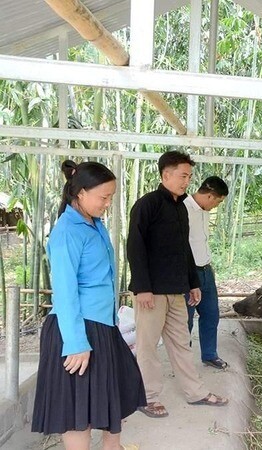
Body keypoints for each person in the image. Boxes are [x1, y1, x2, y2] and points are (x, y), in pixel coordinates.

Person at [32, 160, 145, 450]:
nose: (107, 203)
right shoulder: (67, 231)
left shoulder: (94, 224)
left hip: (102, 325)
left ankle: (112, 446)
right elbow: (65, 292)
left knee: (118, 388)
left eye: (110, 197)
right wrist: (76, 343)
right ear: (80, 193)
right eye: (103, 197)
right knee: (76, 405)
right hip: (77, 329)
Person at [127, 150, 228, 419]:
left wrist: (192, 283)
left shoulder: (180, 208)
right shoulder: (147, 205)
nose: (187, 181)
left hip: (176, 289)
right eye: (183, 176)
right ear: (165, 175)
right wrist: (142, 287)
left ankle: (195, 392)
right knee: (147, 346)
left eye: (189, 176)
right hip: (152, 292)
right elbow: (135, 247)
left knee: (182, 342)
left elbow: (185, 250)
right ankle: (147, 397)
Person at [184, 176, 229, 369]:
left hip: (205, 269)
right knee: (186, 318)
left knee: (211, 313)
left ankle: (210, 354)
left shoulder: (203, 212)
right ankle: (183, 360)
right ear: (210, 196)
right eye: (218, 201)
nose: (216, 205)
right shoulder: (182, 209)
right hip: (188, 272)